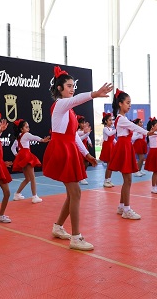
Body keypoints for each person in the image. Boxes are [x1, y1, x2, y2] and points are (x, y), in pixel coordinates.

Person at [43, 65, 113, 251]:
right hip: (61, 150)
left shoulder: (69, 110)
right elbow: (76, 100)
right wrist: (94, 94)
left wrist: (87, 154)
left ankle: (58, 227)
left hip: (69, 149)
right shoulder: (60, 104)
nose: (72, 88)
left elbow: (73, 136)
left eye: (73, 85)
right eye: (68, 85)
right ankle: (76, 237)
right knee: (75, 193)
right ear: (60, 88)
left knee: (73, 193)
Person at [108, 88, 154, 219]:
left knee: (127, 180)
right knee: (127, 179)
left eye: (130, 103)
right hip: (123, 147)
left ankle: (122, 206)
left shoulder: (122, 118)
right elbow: (134, 126)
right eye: (127, 103)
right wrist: (147, 132)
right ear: (120, 104)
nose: (129, 105)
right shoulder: (121, 119)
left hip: (126, 146)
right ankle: (126, 210)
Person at [11, 118, 50, 203]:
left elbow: (13, 148)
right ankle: (34, 196)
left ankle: (17, 194)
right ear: (22, 129)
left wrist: (17, 155)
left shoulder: (18, 137)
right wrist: (42, 140)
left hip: (22, 156)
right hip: (26, 155)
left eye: (28, 127)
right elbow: (34, 137)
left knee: (27, 178)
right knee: (32, 178)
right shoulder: (26, 135)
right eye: (26, 127)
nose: (28, 129)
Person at [99, 112, 116, 188]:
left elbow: (113, 139)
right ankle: (106, 180)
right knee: (109, 165)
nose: (111, 122)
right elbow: (109, 134)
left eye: (112, 120)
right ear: (105, 121)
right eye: (109, 120)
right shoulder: (105, 128)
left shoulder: (111, 129)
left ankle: (109, 179)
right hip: (107, 147)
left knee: (111, 165)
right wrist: (116, 129)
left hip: (111, 146)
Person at [76, 115, 92, 185]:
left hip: (85, 147)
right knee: (82, 163)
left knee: (86, 163)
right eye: (82, 123)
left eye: (84, 123)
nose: (83, 124)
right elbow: (80, 139)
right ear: (79, 124)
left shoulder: (83, 131)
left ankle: (82, 175)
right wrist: (86, 133)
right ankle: (81, 177)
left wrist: (90, 142)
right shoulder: (78, 131)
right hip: (80, 148)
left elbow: (87, 137)